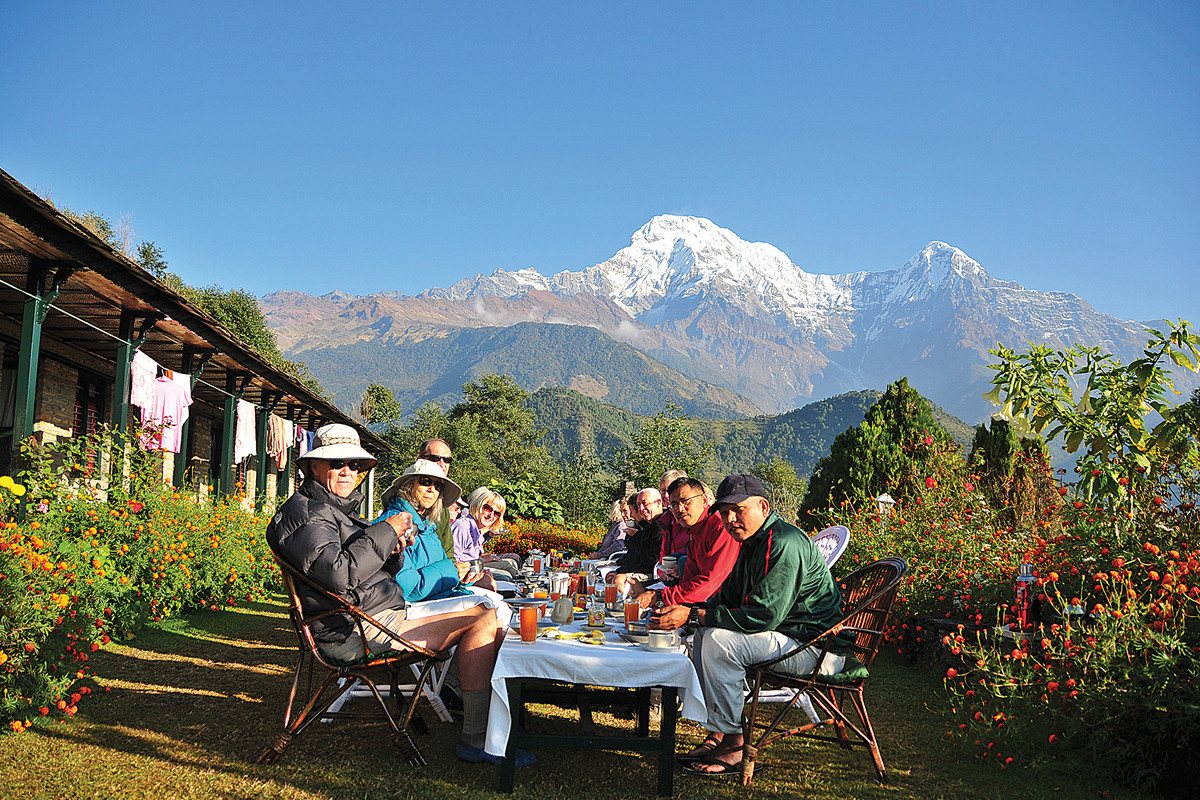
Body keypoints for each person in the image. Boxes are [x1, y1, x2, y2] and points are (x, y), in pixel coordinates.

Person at [265, 423, 533, 767]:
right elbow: (339, 575)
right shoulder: (305, 514)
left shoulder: (333, 511)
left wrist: (390, 555)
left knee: (488, 611)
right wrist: (385, 534)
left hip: (374, 614)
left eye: (355, 464)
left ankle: (492, 726)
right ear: (313, 466)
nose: (347, 471)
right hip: (354, 630)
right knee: (483, 617)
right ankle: (478, 739)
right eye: (337, 463)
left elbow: (363, 572)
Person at [649, 474, 849, 776]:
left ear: (763, 506)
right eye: (725, 512)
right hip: (787, 638)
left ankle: (735, 742)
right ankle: (719, 732)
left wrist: (692, 615)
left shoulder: (784, 543)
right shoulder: (749, 542)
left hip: (819, 649)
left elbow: (762, 617)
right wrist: (689, 609)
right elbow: (727, 598)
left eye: (738, 510)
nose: (730, 519)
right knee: (705, 633)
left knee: (718, 639)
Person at [377, 460, 496, 599]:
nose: (432, 489)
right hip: (406, 608)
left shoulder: (428, 527)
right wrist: (452, 572)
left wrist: (461, 580)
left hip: (432, 600)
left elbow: (441, 575)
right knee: (486, 612)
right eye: (426, 481)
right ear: (408, 485)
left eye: (438, 486)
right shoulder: (393, 524)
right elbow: (410, 590)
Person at [630, 476, 740, 609]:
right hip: (703, 602)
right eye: (674, 504)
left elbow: (711, 582)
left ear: (704, 500)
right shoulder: (695, 531)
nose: (680, 509)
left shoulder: (719, 527)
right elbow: (688, 579)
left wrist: (659, 597)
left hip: (726, 609)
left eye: (685, 501)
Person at [610, 488, 665, 596]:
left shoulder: (660, 527)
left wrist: (621, 571)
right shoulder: (647, 526)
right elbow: (636, 554)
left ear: (658, 503)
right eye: (639, 505)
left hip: (653, 573)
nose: (641, 509)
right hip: (642, 568)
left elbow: (649, 561)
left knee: (618, 580)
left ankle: (630, 609)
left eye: (644, 504)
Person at [418, 438, 458, 556]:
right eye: (435, 458)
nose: (442, 464)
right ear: (420, 460)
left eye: (447, 460)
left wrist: (455, 571)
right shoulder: (402, 504)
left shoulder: (443, 504)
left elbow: (448, 551)